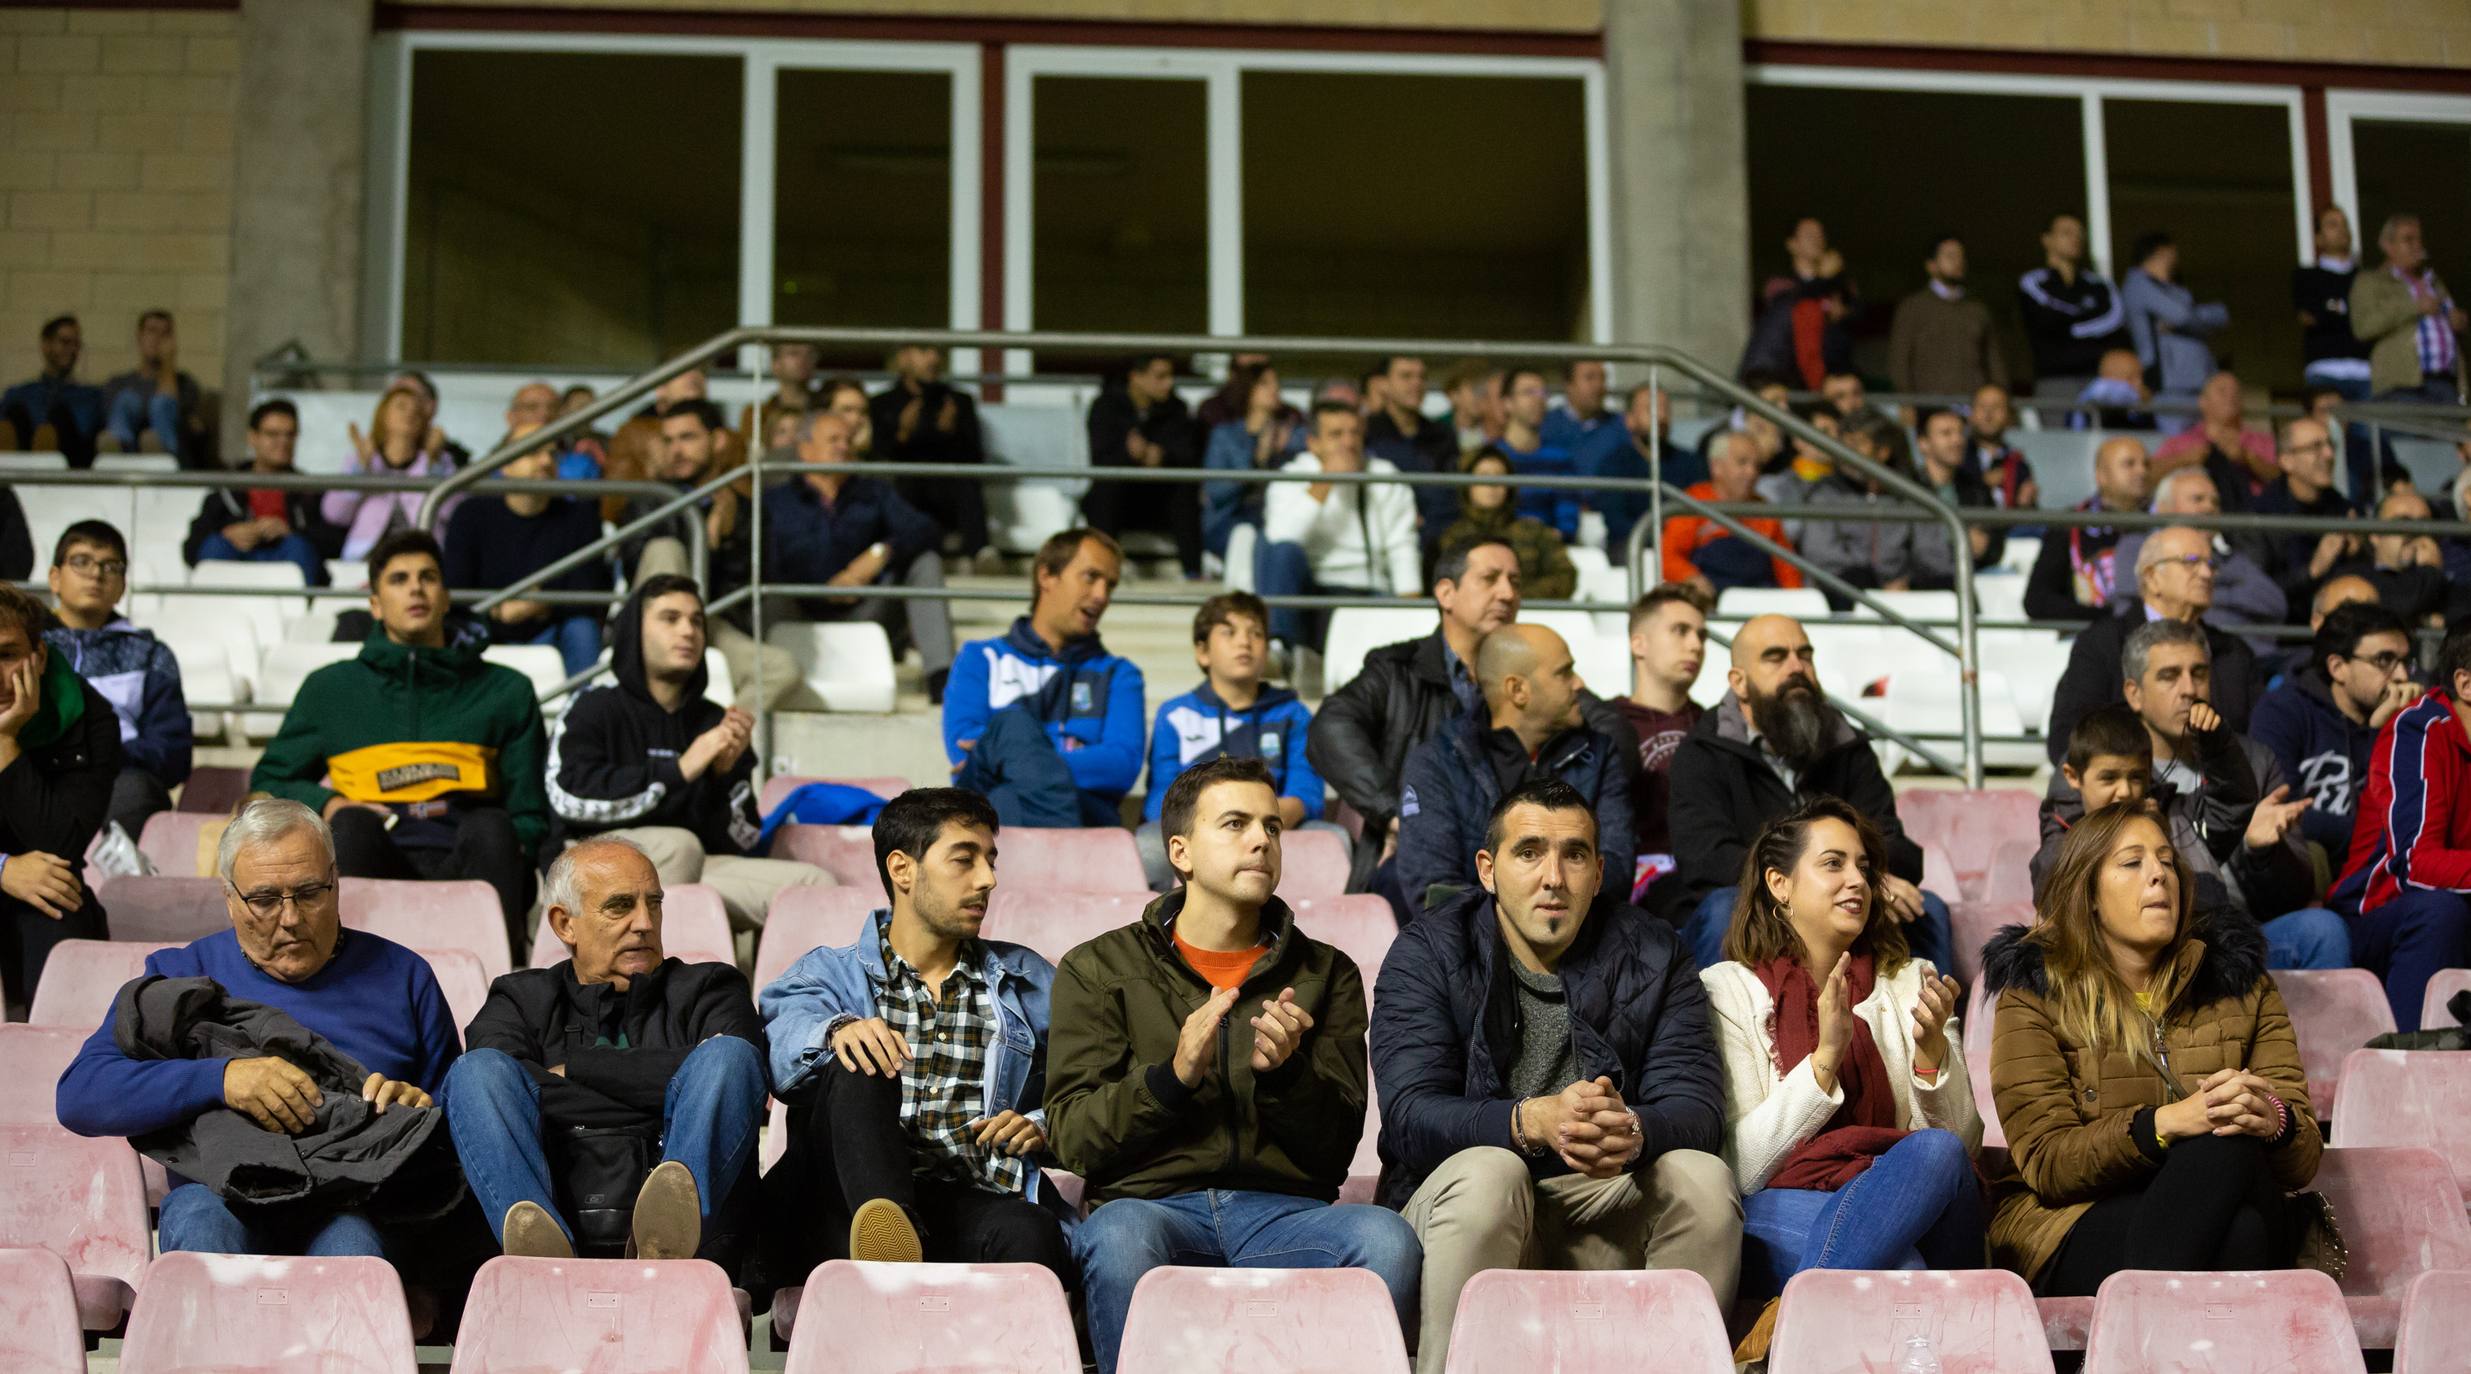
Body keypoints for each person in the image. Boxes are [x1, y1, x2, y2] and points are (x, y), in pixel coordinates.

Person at [1046, 757, 1420, 1374]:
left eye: (1272, 828)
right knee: (1116, 1238)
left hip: (1283, 1214)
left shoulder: (1326, 972)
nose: (1261, 840)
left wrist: (1286, 1077)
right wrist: (1171, 1080)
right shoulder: (1098, 967)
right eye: (1236, 824)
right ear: (1181, 852)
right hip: (1151, 1208)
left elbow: (1334, 1151)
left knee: (1386, 1239)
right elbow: (1072, 1137)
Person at [1373, 778, 1736, 1374]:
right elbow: (1411, 1116)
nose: (1554, 877)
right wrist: (1528, 1121)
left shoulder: (1654, 951)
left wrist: (1635, 1131)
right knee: (1493, 1171)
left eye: (1574, 855)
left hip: (1601, 1198)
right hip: (1466, 1205)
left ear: (1598, 872)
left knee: (1702, 1178)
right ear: (1488, 869)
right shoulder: (1428, 951)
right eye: (1529, 852)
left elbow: (1697, 1107)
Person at [56, 799, 460, 1256]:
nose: (290, 919)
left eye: (310, 893)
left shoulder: (405, 977)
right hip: (218, 1196)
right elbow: (81, 1094)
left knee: (353, 1245)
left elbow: (455, 1127)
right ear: (229, 899)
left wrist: (418, 1108)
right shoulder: (179, 975)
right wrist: (222, 1079)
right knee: (201, 1223)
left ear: (336, 883)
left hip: (355, 1200)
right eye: (264, 900)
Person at [1985, 799, 2321, 1295]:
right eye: (2132, 862)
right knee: (2240, 1234)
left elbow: (2303, 1160)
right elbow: (2050, 1162)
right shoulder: (2035, 991)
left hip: (2223, 1196)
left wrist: (2274, 1121)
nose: (2158, 875)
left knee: (2229, 1148)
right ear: (2090, 893)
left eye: (2167, 860)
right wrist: (2166, 1125)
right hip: (2073, 1220)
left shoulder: (2242, 985)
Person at [757, 788, 1074, 1282]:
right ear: (902, 869)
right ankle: (888, 1235)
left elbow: (1090, 1089)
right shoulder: (828, 973)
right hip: (841, 1204)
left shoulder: (1028, 980)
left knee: (1030, 1230)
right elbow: (781, 1061)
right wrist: (838, 1031)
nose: (988, 880)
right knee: (861, 1061)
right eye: (964, 860)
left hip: (967, 1195)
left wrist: (1040, 1124)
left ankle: (909, 1259)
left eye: (990, 861)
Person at [1705, 798, 1982, 1338]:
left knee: (1937, 1151)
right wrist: (1825, 1060)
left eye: (1863, 867)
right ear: (1779, 884)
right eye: (1833, 864)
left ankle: (1786, 1338)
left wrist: (1931, 1059)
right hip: (1782, 1203)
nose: (1856, 879)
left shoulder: (1913, 980)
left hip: (1916, 1203)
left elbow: (1961, 1150)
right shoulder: (1727, 991)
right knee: (1903, 1273)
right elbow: (1738, 1167)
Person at [445, 837, 765, 1264]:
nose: (644, 923)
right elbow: (490, 1095)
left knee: (731, 1059)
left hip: (697, 1254)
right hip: (555, 1230)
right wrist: (674, 1092)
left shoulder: (712, 988)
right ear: (564, 924)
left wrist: (571, 1070)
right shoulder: (517, 998)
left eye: (653, 904)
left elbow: (738, 1079)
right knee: (477, 1072)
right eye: (620, 906)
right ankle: (538, 1249)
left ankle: (666, 1241)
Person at [250, 530, 546, 954]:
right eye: (399, 579)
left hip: (469, 851)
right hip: (375, 846)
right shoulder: (330, 689)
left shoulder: (507, 690)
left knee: (494, 828)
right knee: (346, 827)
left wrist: (515, 843)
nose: (415, 588)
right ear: (374, 603)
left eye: (428, 577)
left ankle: (505, 977)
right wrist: (331, 804)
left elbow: (530, 813)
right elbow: (271, 778)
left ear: (445, 597)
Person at [1669, 615, 1952, 976]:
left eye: (1804, 656)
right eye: (1776, 657)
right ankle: (1712, 1034)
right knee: (1723, 909)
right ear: (1739, 683)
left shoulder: (1846, 744)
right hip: (1754, 901)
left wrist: (1868, 876)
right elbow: (1706, 858)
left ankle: (1933, 1030)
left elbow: (1887, 837)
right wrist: (1805, 888)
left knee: (1925, 909)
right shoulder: (1703, 751)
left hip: (1840, 888)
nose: (1796, 668)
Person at [2058, 623, 2349, 969]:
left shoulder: (2252, 761)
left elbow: (2294, 895)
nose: (2189, 689)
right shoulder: (2103, 768)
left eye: (2199, 673)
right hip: (2150, 936)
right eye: (2169, 676)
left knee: (2324, 930)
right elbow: (2060, 866)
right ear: (2134, 693)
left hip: (2242, 932)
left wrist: (2263, 852)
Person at [547, 576, 828, 933]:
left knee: (813, 886)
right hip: (593, 868)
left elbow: (743, 839)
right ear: (635, 631)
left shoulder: (714, 721)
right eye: (670, 618)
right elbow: (568, 796)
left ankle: (784, 990)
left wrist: (722, 778)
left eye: (696, 621)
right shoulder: (593, 706)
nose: (688, 631)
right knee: (680, 846)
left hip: (695, 868)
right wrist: (679, 770)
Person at [1308, 538, 1523, 909]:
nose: (1507, 593)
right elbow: (1330, 727)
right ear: (1446, 593)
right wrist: (1396, 813)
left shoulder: (1531, 677)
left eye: (1515, 581)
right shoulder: (1397, 671)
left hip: (1509, 863)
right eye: (1490, 578)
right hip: (1416, 861)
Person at [1397, 624, 1636, 913]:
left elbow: (1616, 869)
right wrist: (1527, 924)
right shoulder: (1437, 762)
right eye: (1564, 672)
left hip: (1583, 945)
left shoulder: (1597, 754)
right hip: (1471, 953)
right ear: (1518, 690)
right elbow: (1435, 891)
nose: (1578, 684)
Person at [620, 398, 814, 712]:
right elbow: (636, 568)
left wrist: (726, 540)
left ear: (718, 440)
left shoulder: (746, 510)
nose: (676, 450)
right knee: (665, 548)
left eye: (687, 437)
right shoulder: (650, 500)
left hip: (711, 622)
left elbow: (752, 587)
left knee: (783, 669)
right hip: (653, 627)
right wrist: (700, 535)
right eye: (668, 441)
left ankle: (715, 745)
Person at [943, 528, 1144, 828]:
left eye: (1110, 585)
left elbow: (1121, 765)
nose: (1102, 596)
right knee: (1012, 726)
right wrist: (1054, 757)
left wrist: (1020, 758)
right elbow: (963, 745)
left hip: (1077, 813)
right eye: (1091, 577)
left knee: (1007, 794)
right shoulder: (979, 658)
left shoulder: (1120, 674)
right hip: (991, 811)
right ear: (1047, 576)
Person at [1138, 592, 1335, 891]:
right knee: (1149, 842)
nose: (1245, 642)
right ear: (1202, 652)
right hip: (1200, 830)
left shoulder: (1293, 714)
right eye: (1229, 633)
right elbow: (1159, 802)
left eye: (1256, 634)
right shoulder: (1175, 714)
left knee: (1333, 839)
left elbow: (1306, 795)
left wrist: (1249, 823)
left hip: (1272, 827)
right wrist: (1221, 823)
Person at [761, 405, 956, 701]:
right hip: (797, 608)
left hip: (866, 608)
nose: (843, 447)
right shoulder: (776, 501)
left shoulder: (873, 492)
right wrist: (823, 587)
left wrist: (880, 554)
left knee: (926, 562)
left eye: (848, 441)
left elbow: (926, 531)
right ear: (805, 450)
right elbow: (767, 559)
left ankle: (941, 681)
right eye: (833, 440)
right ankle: (764, 676)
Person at [2330, 627, 2471, 1031]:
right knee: (2440, 911)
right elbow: (2416, 863)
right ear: (2465, 683)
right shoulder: (2418, 730)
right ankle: (2405, 1070)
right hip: (2377, 910)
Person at [2046, 525, 2265, 765]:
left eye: (2211, 565)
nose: (2206, 573)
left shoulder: (2234, 652)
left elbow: (2259, 741)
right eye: (2191, 562)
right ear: (2151, 577)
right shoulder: (2102, 644)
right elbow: (2069, 737)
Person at [0, 583, 116, 1006]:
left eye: (7, 655)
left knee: (59, 897)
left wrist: (5, 743)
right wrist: (2, 869)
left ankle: (51, 1054)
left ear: (40, 657)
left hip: (44, 889)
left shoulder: (89, 718)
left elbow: (62, 844)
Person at [42, 521, 188, 840]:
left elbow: (173, 754)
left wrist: (105, 753)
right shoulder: (26, 645)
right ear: (55, 577)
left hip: (119, 776)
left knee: (134, 791)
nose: (96, 574)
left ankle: (114, 889)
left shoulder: (150, 654)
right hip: (38, 769)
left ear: (122, 585)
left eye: (110, 566)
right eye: (81, 561)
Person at [2251, 602, 2417, 866]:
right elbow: (2281, 810)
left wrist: (2383, 733)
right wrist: (2367, 836)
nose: (2402, 675)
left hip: (2384, 870)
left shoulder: (2409, 718)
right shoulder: (2283, 711)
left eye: (2406, 661)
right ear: (2338, 667)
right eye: (2384, 661)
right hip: (2307, 869)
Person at [440, 424, 610, 678]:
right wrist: (499, 609)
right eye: (533, 452)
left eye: (552, 454)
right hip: (485, 624)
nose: (545, 461)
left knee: (582, 627)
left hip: (552, 626)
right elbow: (456, 587)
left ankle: (585, 710)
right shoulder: (471, 513)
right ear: (505, 465)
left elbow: (586, 592)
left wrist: (537, 603)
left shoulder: (581, 516)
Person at [1258, 401, 1423, 659]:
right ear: (1313, 443)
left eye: (1354, 433)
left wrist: (1413, 620)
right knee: (1280, 551)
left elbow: (1402, 546)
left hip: (1370, 591)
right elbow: (1281, 541)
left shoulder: (1385, 475)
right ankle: (1281, 651)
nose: (1348, 442)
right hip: (1313, 594)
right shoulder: (1292, 474)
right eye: (1336, 434)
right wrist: (1326, 481)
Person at [2108, 469, 2287, 654]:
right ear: (2164, 508)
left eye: (2215, 502)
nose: (2209, 508)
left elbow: (2275, 604)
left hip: (2251, 656)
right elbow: (2133, 599)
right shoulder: (2137, 546)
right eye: (2198, 499)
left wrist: (2199, 594)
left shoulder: (2228, 557)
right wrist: (2225, 590)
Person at [185, 399, 344, 586]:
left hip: (288, 565)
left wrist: (291, 531)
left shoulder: (310, 491)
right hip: (236, 562)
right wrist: (228, 533)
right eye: (273, 434)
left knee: (298, 546)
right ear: (252, 437)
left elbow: (336, 544)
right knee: (216, 545)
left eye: (290, 435)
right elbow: (191, 549)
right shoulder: (225, 488)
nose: (283, 442)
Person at [1617, 585, 1708, 911]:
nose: (1696, 645)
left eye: (1701, 635)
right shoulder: (1607, 722)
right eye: (1680, 631)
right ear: (1638, 643)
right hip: (1625, 882)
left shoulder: (1716, 727)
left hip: (1701, 880)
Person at [1083, 353, 1202, 579]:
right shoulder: (1106, 407)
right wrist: (1128, 455)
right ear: (1136, 377)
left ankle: (1193, 572)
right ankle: (1102, 569)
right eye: (1160, 376)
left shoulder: (1177, 409)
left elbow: (1187, 454)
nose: (1169, 383)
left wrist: (1161, 457)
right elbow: (1099, 459)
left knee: (1184, 489)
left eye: (1170, 376)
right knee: (1104, 489)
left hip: (1159, 501)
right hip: (1121, 501)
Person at [870, 344, 991, 561]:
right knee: (901, 483)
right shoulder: (882, 403)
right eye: (924, 351)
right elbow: (879, 455)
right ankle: (898, 554)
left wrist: (951, 433)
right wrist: (903, 434)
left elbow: (976, 457)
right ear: (904, 358)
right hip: (906, 487)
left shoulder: (958, 402)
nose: (934, 359)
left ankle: (981, 554)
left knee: (966, 481)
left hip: (948, 488)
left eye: (939, 352)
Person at [1660, 431, 1806, 599]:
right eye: (1742, 462)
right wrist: (1691, 577)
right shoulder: (1694, 503)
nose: (1751, 472)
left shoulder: (1764, 510)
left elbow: (1786, 567)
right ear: (1716, 466)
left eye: (1757, 465)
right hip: (1711, 600)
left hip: (1760, 600)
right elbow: (1669, 556)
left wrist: (1796, 600)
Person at [326, 381, 461, 562]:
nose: (410, 413)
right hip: (366, 560)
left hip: (423, 557)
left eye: (417, 410)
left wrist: (433, 464)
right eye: (401, 406)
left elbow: (453, 512)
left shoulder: (440, 460)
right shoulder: (363, 459)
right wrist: (361, 468)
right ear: (383, 415)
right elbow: (335, 514)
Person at [2023, 435, 2151, 624]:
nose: (2142, 471)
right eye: (2129, 464)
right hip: (2091, 636)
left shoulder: (2162, 523)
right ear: (2101, 476)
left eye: (2146, 464)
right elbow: (2038, 600)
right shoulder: (2070, 524)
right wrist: (2104, 619)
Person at [2294, 206, 2376, 490]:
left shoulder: (2366, 279)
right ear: (2317, 237)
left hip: (2364, 373)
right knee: (2324, 442)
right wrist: (2348, 314)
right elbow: (2308, 316)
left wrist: (2334, 311)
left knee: (2367, 444)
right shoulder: (2306, 276)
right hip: (2324, 372)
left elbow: (2370, 322)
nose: (2341, 230)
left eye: (2344, 224)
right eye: (2331, 224)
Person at [2350, 212, 2466, 407]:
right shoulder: (2371, 281)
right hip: (2403, 384)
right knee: (2410, 438)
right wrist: (2413, 307)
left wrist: (2457, 321)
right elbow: (2364, 326)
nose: (2417, 246)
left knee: (2446, 437)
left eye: (2419, 239)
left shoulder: (2433, 282)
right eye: (2408, 239)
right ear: (2387, 245)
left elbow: (2451, 318)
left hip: (2446, 383)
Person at [2121, 232, 2231, 428]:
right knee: (2175, 448)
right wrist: (2195, 320)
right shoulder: (2138, 283)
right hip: (2168, 386)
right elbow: (2181, 316)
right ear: (2163, 251)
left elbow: (2219, 315)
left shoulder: (2174, 290)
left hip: (2200, 383)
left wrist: (2191, 319)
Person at [1435, 448, 1576, 601]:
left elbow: (1565, 576)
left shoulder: (1535, 531)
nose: (1492, 484)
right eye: (1484, 476)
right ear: (1468, 486)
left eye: (1500, 476)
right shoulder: (1453, 537)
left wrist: (1513, 598)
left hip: (1531, 616)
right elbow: (1446, 586)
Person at [2249, 415, 2358, 609]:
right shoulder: (2259, 517)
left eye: (2330, 445)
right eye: (2315, 447)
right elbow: (2255, 595)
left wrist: (2357, 552)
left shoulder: (2343, 508)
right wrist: (2312, 571)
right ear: (2286, 461)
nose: (2328, 454)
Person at [2018, 212, 2127, 401]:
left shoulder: (2099, 285)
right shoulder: (2033, 282)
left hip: (2096, 380)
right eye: (2067, 233)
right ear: (2047, 239)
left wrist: (2068, 329)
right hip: (2053, 381)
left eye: (2079, 234)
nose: (2075, 238)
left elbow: (2114, 323)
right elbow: (2043, 322)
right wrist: (2088, 324)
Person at [1200, 359, 1299, 563]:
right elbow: (1216, 491)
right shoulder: (1226, 436)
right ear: (1248, 389)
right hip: (1231, 520)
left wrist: (1285, 453)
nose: (1275, 388)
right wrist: (1256, 461)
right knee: (1245, 536)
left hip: (1276, 518)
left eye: (1276, 382)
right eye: (1265, 383)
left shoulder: (1294, 435)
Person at [1889, 234, 2006, 397]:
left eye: (1961, 256)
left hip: (1973, 404)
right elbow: (1899, 359)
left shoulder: (1978, 309)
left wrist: (2000, 392)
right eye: (1950, 256)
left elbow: (1994, 360)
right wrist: (1905, 399)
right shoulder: (1913, 307)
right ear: (1931, 265)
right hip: (1928, 404)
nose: (1958, 261)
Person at [1586, 384, 1697, 553]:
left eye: (1664, 408)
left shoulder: (1692, 463)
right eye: (1650, 409)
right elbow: (1616, 523)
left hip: (1683, 549)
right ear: (1629, 419)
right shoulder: (1614, 465)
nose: (1660, 416)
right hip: (1633, 548)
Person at [1908, 407, 2004, 588]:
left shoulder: (1977, 488)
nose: (1957, 440)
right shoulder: (1906, 488)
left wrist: (1985, 548)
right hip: (1918, 585)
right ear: (1923, 443)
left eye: (1960, 433)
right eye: (1946, 433)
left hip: (1966, 581)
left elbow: (1996, 544)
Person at [2150, 371, 2275, 509]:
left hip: (2255, 519)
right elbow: (2147, 477)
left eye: (2236, 393)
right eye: (2222, 391)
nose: (2231, 397)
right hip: (2191, 521)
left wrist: (2249, 459)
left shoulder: (2263, 441)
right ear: (2203, 402)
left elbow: (2285, 481)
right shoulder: (2180, 442)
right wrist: (2184, 459)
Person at [98, 309, 207, 464]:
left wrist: (168, 363)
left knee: (161, 403)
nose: (157, 339)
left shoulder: (185, 383)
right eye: (152, 331)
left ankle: (159, 449)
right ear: (139, 337)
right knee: (126, 399)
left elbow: (186, 424)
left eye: (165, 334)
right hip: (126, 458)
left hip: (172, 459)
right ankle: (118, 452)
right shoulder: (117, 384)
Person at [0, 315, 103, 466]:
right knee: (15, 412)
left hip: (69, 468)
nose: (72, 350)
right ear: (46, 345)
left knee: (59, 415)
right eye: (65, 342)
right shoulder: (20, 394)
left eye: (76, 344)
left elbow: (85, 436)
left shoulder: (90, 395)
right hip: (20, 465)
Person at [1492, 368, 1579, 542]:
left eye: (1543, 392)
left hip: (1549, 548)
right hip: (1501, 544)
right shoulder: (1491, 457)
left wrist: (1552, 535)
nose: (1538, 399)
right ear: (1507, 403)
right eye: (1528, 392)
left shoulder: (1560, 458)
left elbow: (1568, 517)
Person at [1965, 383, 2038, 510]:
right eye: (1982, 406)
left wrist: (2026, 504)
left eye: (1996, 407)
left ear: (2009, 416)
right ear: (1970, 414)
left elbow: (2027, 518)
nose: (1988, 415)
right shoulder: (1958, 457)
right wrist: (1983, 483)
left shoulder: (2017, 462)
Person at [2071, 347, 2159, 432]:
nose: (2139, 382)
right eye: (2131, 377)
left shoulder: (2144, 404)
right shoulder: (2100, 395)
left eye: (2140, 376)